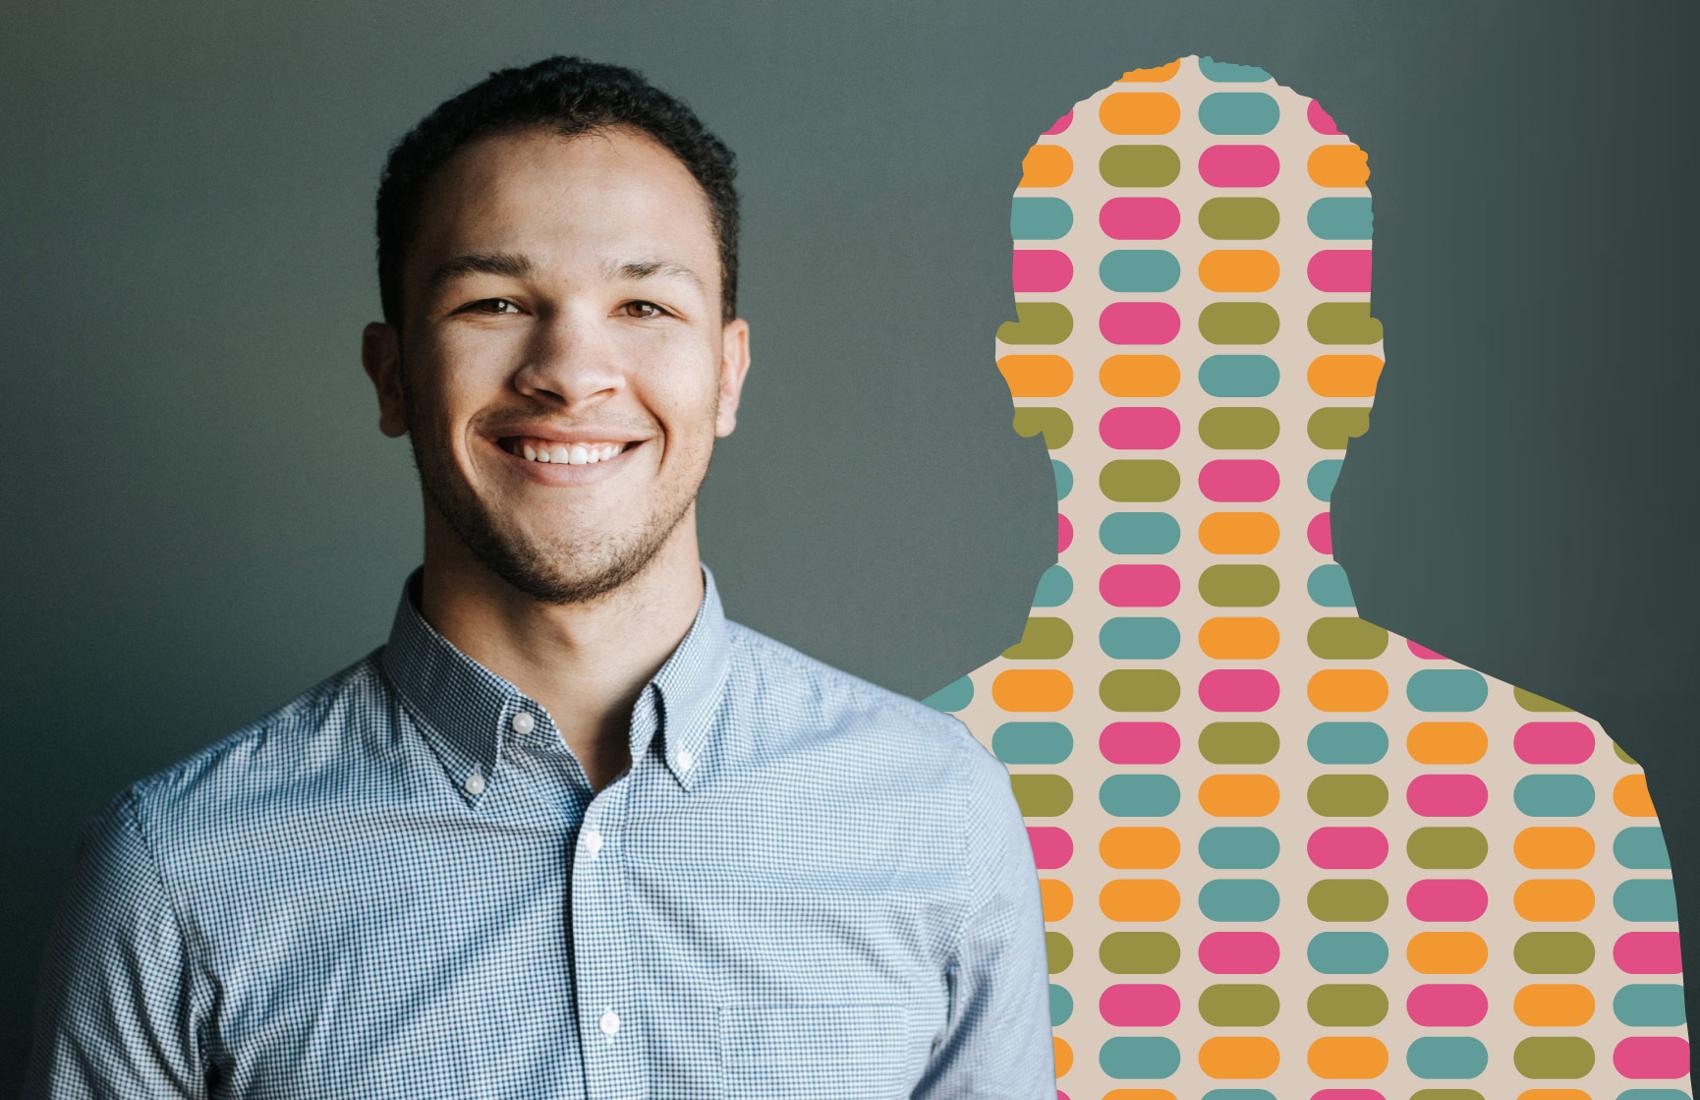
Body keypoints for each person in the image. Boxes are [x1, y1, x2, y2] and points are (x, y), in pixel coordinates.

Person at [22, 56, 1057, 1098]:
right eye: (495, 300)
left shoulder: (936, 810)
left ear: (727, 372)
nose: (568, 367)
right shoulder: (177, 867)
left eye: (644, 307)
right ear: (391, 374)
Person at [933, 53, 1691, 1095]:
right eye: (1149, 323)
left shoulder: (1553, 800)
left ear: (1350, 372)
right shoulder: (1545, 794)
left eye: (1245, 328)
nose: (1202, 391)